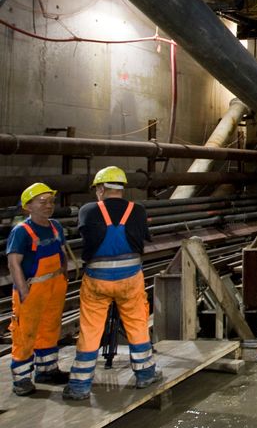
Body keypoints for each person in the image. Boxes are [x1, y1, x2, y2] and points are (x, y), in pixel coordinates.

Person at [63, 166, 160, 400]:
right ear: (122, 188)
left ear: (101, 188)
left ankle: (79, 387)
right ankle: (145, 374)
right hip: (130, 278)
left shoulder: (88, 210)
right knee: (137, 324)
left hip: (98, 280)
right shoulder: (137, 210)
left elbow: (85, 235)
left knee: (90, 329)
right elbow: (143, 239)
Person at [6, 182, 70, 396]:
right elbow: (14, 262)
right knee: (25, 332)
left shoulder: (55, 227)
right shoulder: (21, 231)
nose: (48, 206)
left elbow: (62, 252)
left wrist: (65, 274)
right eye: (42, 202)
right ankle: (22, 378)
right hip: (33, 287)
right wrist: (23, 290)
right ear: (28, 206)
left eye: (51, 201)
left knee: (50, 327)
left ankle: (47, 369)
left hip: (54, 285)